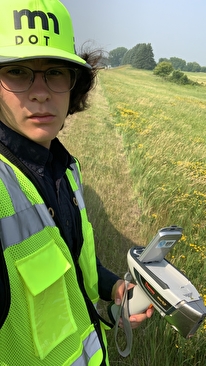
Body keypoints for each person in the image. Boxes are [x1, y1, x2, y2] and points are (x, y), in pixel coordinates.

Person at [0, 0, 153, 365]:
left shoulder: (65, 167)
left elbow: (71, 257)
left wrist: (112, 285)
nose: (41, 92)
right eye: (17, 72)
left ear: (74, 85)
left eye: (55, 72)